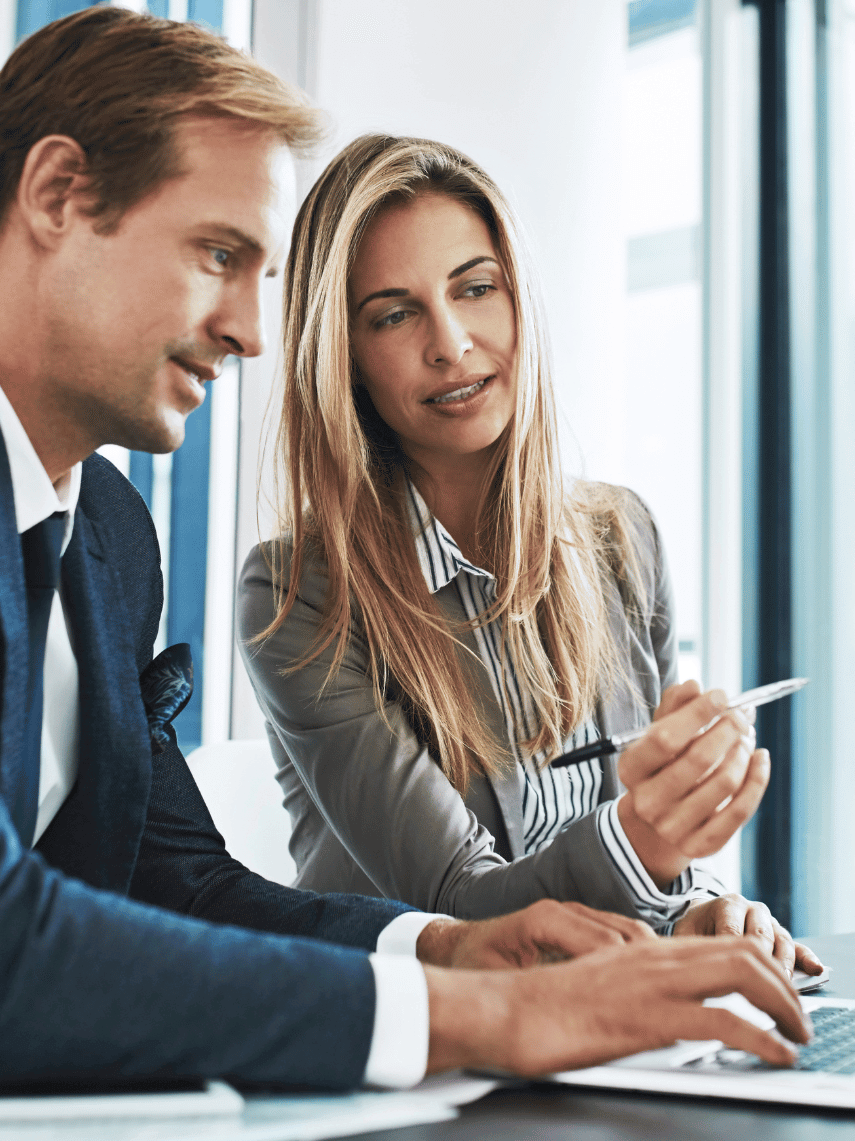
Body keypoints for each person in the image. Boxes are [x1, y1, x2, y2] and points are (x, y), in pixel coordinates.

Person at [0, 6, 808, 1090]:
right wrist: (486, 1026)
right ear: (59, 195)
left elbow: (181, 880)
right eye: (217, 255)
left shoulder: (105, 533)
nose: (246, 328)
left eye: (261, 277)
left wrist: (456, 947)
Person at [237, 135, 818, 975]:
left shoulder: (624, 538)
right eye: (395, 314)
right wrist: (645, 842)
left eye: (476, 289)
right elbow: (464, 914)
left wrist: (700, 906)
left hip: (611, 1023)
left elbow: (645, 876)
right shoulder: (297, 594)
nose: (452, 344)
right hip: (439, 1047)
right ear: (346, 358)